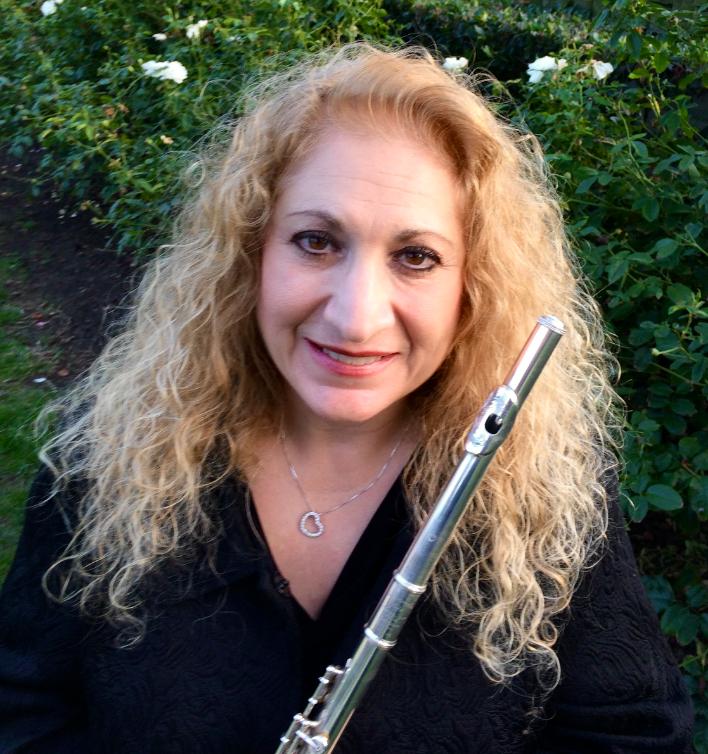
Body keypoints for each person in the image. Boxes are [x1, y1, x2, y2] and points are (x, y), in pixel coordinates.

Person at [0, 43, 693, 753]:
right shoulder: (104, 463)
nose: (356, 318)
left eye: (416, 257)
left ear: (473, 288)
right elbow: (23, 713)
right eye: (316, 241)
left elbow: (635, 736)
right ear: (250, 253)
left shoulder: (543, 491)